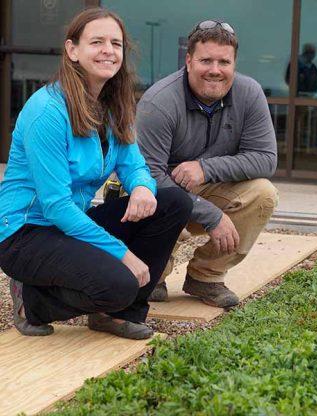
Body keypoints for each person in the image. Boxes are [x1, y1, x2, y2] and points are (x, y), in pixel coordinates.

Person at [0, 8, 192, 339]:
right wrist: (122, 254)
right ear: (72, 50)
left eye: (115, 43)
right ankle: (33, 301)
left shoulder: (114, 106)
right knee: (120, 282)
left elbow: (133, 165)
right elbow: (56, 205)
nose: (108, 50)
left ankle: (118, 313)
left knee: (173, 202)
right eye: (97, 42)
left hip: (72, 224)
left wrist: (144, 188)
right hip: (27, 234)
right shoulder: (46, 111)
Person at [136, 20, 278, 308]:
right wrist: (212, 216)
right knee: (148, 280)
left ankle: (206, 276)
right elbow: (148, 175)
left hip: (208, 188)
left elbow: (266, 159)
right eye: (206, 60)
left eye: (224, 61)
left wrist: (206, 168)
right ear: (188, 61)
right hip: (160, 195)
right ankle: (156, 271)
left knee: (263, 194)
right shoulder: (159, 102)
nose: (215, 69)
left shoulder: (250, 94)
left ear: (234, 64)